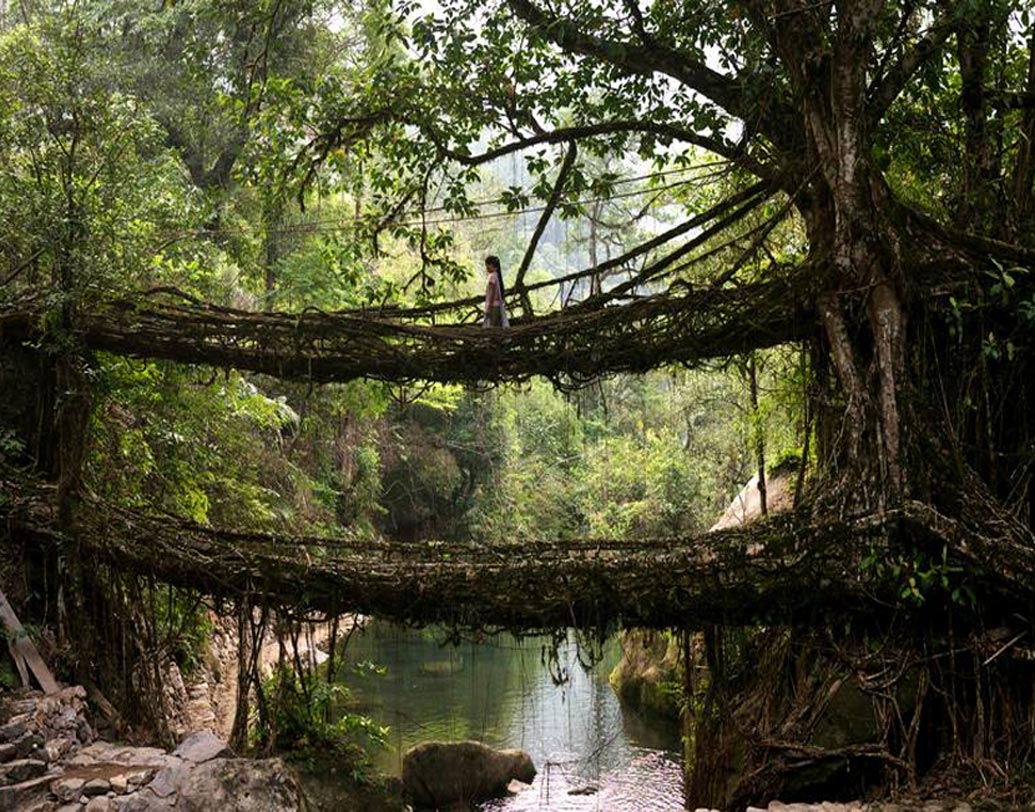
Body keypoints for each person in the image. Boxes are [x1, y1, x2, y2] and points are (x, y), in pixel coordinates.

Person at [482, 255, 510, 328]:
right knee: (497, 326)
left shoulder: (492, 277)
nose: (487, 267)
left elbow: (492, 293)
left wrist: (489, 306)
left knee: (492, 326)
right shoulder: (497, 275)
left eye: (488, 265)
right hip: (497, 305)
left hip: (493, 305)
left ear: (492, 265)